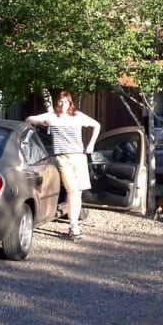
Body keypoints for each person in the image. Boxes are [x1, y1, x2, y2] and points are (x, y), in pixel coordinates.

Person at [25, 91, 101, 240]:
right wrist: (42, 122)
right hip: (62, 157)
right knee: (72, 189)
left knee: (78, 191)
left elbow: (96, 125)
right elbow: (29, 120)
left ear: (70, 103)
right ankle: (74, 226)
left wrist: (91, 145)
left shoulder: (77, 116)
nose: (63, 104)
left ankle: (74, 225)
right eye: (60, 101)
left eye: (66, 102)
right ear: (57, 103)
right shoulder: (52, 116)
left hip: (79, 156)